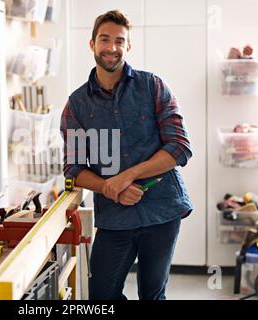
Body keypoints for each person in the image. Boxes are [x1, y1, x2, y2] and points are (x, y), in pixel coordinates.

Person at [60, 10, 193, 300]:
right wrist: (111, 189)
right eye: (104, 39)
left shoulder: (153, 86)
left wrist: (126, 176)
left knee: (152, 295)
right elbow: (74, 167)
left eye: (119, 41)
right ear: (92, 44)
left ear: (128, 46)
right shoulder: (77, 105)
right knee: (101, 295)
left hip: (162, 209)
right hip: (115, 215)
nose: (112, 48)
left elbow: (179, 147)